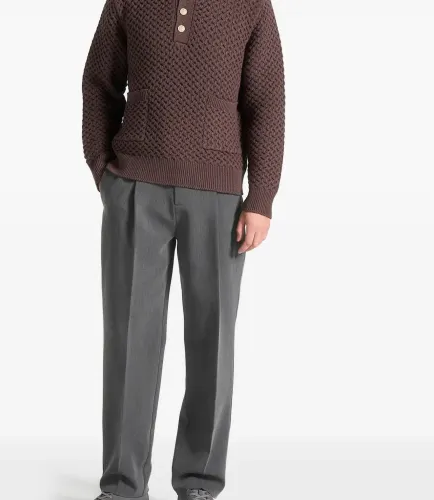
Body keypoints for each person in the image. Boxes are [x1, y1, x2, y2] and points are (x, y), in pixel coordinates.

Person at [82, 0, 285, 497]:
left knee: (212, 341)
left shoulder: (252, 5)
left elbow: (266, 101)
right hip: (135, 186)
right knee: (129, 339)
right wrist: (104, 170)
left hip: (218, 197)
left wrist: (261, 197)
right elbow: (99, 83)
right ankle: (122, 484)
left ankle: (199, 482)